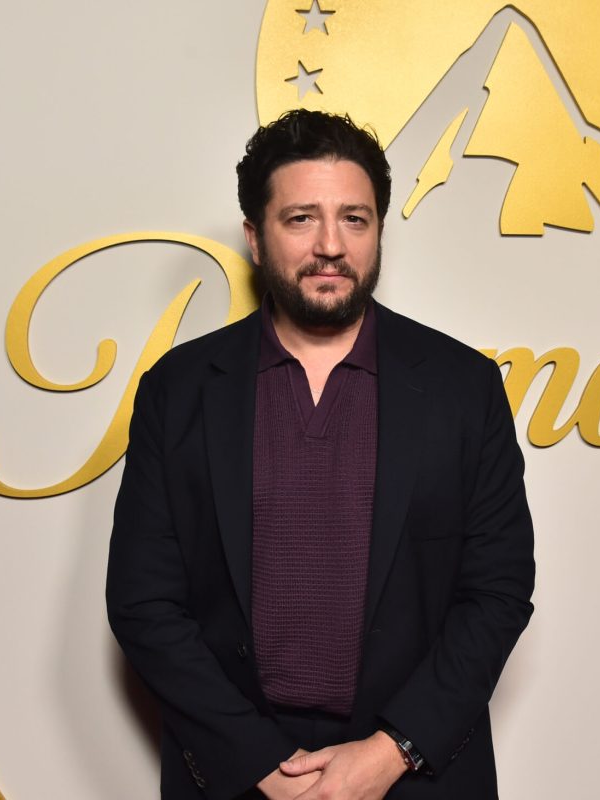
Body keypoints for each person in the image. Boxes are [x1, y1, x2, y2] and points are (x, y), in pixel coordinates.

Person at [106, 109, 535, 800]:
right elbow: (142, 601)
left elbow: (497, 590)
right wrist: (254, 761)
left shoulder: (464, 387)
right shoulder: (180, 390)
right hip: (237, 776)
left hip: (412, 775)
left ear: (379, 232)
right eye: (302, 218)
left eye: (355, 219)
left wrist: (392, 751)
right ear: (255, 236)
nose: (331, 245)